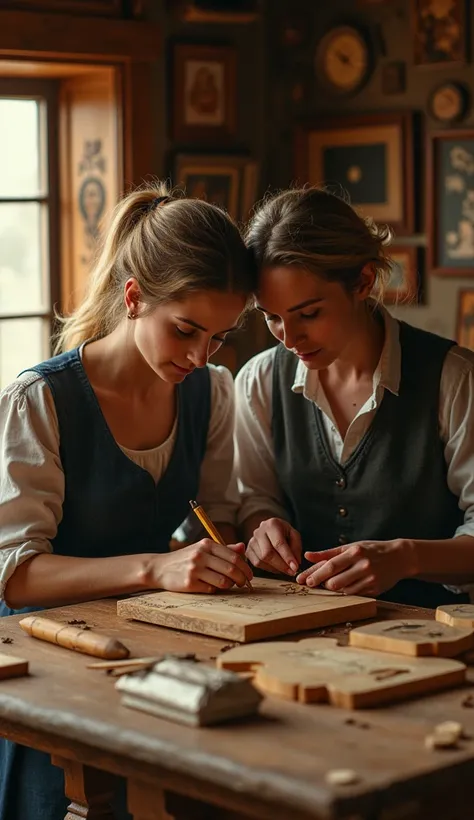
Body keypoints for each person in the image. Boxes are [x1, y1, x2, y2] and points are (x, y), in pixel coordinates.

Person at [0, 182, 255, 820]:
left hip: (147, 657)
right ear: (134, 295)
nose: (200, 356)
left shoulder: (211, 393)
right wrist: (158, 566)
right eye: (186, 331)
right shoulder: (40, 400)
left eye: (219, 338)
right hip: (48, 664)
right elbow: (16, 575)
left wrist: (247, 537)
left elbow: (218, 516)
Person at [235, 186, 474, 608]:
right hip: (298, 631)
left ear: (363, 281)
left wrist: (405, 558)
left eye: (309, 314)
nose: (289, 338)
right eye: (272, 317)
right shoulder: (259, 380)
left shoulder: (453, 379)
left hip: (430, 634)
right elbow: (256, 497)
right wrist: (263, 526)